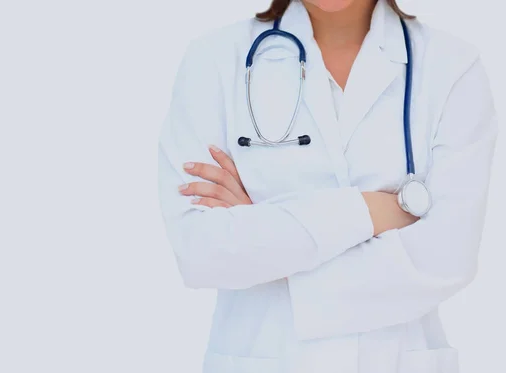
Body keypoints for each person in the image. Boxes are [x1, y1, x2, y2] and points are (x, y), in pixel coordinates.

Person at [157, 0, 498, 372]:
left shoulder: (452, 67)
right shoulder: (215, 60)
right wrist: (373, 210)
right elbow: (201, 252)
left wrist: (266, 240)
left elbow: (447, 257)